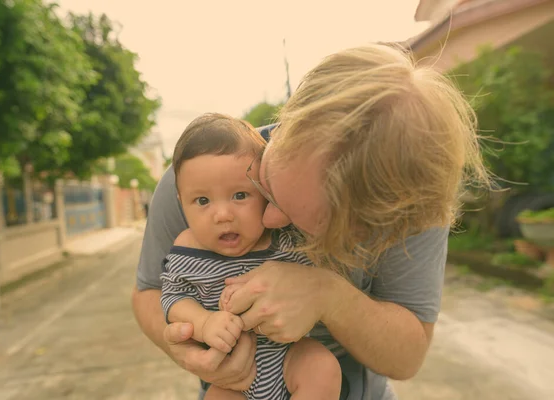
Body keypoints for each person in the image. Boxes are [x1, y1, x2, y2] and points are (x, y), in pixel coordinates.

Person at [132, 43, 490, 400]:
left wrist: (328, 296)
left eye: (311, 224)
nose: (271, 220)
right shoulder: (200, 182)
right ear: (288, 118)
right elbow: (150, 291)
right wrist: (186, 348)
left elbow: (407, 358)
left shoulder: (412, 203)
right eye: (265, 185)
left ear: (379, 223)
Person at [160, 113, 342, 400]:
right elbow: (172, 298)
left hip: (288, 357)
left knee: (322, 367)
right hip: (231, 375)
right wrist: (204, 322)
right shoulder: (187, 249)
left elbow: (314, 283)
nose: (223, 215)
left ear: (266, 192)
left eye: (240, 195)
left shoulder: (284, 239)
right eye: (203, 201)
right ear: (182, 203)